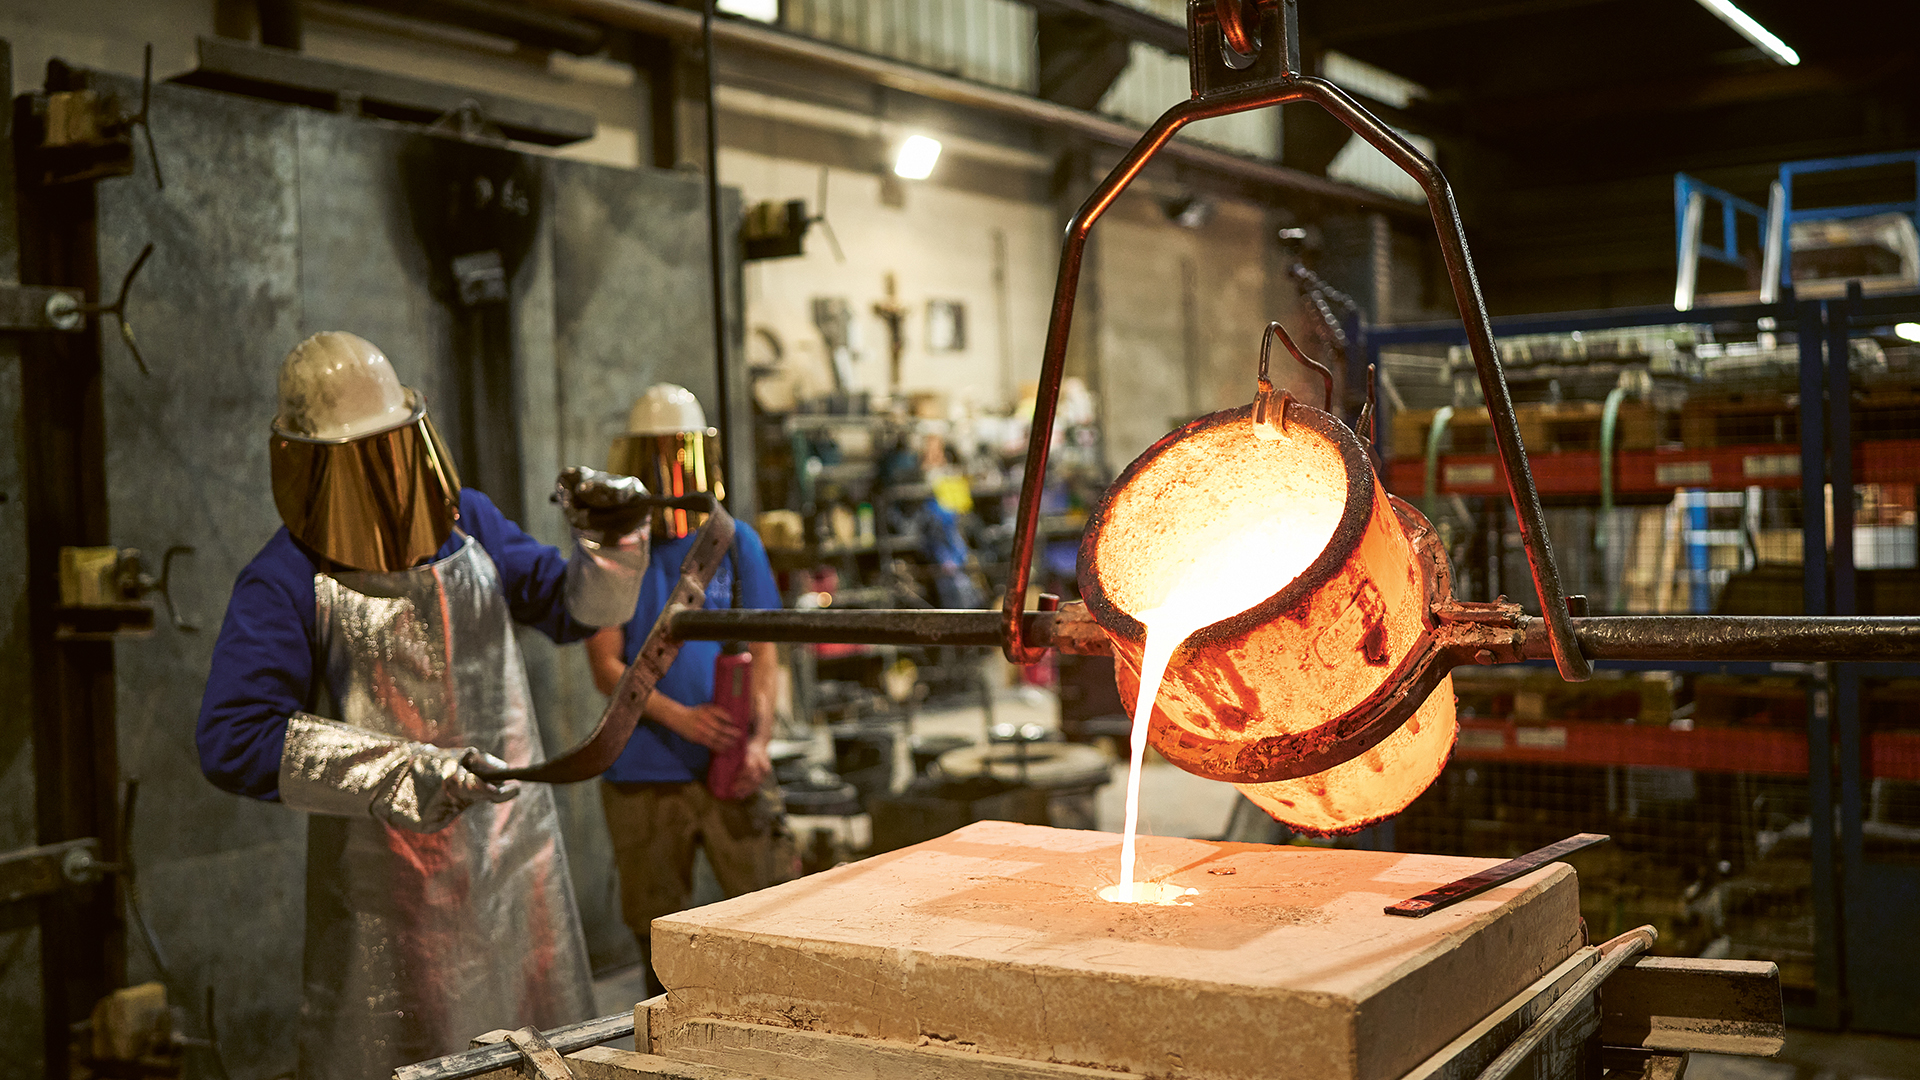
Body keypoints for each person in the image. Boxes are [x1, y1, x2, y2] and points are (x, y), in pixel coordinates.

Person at [195, 331, 651, 1080]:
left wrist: (612, 546)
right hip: (391, 893)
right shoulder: (284, 578)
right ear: (307, 465)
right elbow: (233, 737)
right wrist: (411, 772)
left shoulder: (466, 520)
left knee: (543, 1050)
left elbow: (571, 609)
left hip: (517, 860)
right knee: (415, 1052)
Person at [586, 384, 797, 996]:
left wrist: (759, 739)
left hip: (731, 762)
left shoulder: (736, 543)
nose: (670, 472)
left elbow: (766, 649)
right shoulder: (613, 551)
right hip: (644, 772)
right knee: (656, 942)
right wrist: (683, 719)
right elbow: (606, 666)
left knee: (772, 918)